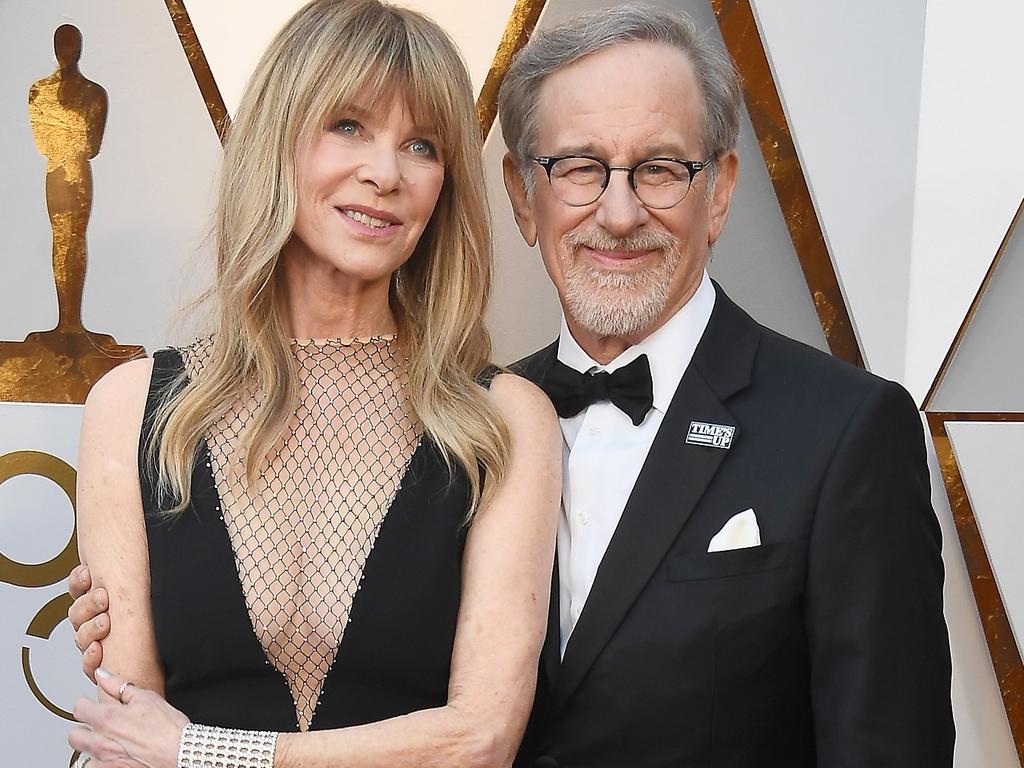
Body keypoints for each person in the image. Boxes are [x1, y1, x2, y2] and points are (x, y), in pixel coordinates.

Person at [70, 4, 955, 767]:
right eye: (577, 166)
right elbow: (123, 733)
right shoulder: (499, 405)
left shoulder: (838, 430)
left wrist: (206, 749)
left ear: (718, 190)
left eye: (659, 167)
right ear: (521, 195)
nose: (617, 211)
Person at [65, 1, 560, 767]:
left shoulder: (504, 422)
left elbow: (480, 739)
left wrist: (208, 752)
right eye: (349, 126)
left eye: (422, 145)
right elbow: (132, 741)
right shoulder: (131, 409)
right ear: (277, 138)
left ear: (445, 185)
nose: (385, 173)